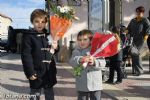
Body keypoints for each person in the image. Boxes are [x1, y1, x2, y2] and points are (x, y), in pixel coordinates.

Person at [21, 9, 59, 100]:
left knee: (49, 93)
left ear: (46, 23)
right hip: (36, 72)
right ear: (32, 22)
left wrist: (56, 47)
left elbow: (54, 50)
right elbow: (26, 56)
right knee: (35, 94)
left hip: (49, 71)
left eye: (43, 22)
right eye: (37, 21)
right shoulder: (28, 36)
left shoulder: (49, 35)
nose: (40, 24)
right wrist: (30, 72)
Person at [69, 29, 106, 100]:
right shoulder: (76, 51)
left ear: (91, 40)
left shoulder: (96, 50)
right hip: (82, 83)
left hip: (95, 83)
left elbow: (103, 63)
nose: (82, 42)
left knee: (96, 98)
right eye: (79, 40)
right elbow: (72, 61)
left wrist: (94, 62)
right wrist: (80, 59)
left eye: (85, 39)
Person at [126, 6, 150, 76]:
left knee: (137, 54)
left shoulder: (145, 20)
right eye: (137, 12)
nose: (138, 13)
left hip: (141, 40)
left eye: (140, 12)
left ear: (143, 13)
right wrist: (126, 31)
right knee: (133, 54)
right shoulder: (133, 20)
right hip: (133, 40)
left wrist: (145, 38)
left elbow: (148, 30)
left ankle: (139, 71)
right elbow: (128, 28)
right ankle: (134, 71)